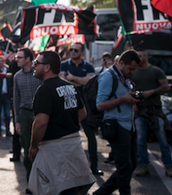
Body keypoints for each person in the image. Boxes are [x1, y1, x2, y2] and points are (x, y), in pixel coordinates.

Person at [28, 50, 95, 195]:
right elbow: (82, 113)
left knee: (55, 188)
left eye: (36, 63)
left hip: (54, 148)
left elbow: (40, 123)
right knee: (69, 186)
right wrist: (64, 122)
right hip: (73, 144)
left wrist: (33, 147)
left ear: (47, 67)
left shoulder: (45, 89)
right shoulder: (70, 86)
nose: (33, 66)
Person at [92, 49, 142, 195]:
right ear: (121, 63)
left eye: (134, 69)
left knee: (131, 164)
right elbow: (100, 105)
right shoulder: (108, 76)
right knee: (124, 166)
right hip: (116, 125)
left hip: (128, 125)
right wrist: (124, 99)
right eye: (130, 68)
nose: (132, 72)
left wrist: (132, 99)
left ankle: (101, 193)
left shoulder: (123, 76)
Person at [59, 42, 100, 176]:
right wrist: (79, 81)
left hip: (86, 104)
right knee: (66, 137)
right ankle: (67, 167)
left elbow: (89, 81)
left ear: (82, 52)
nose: (72, 52)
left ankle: (94, 166)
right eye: (71, 50)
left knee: (91, 137)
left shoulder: (88, 66)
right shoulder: (64, 65)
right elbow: (62, 81)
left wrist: (72, 78)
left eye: (76, 50)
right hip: (69, 105)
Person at [132, 49, 172, 177]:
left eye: (140, 56)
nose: (138, 58)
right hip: (140, 110)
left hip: (154, 109)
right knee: (140, 139)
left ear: (146, 57)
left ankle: (168, 166)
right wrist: (133, 103)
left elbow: (166, 86)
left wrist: (152, 91)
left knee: (162, 139)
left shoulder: (156, 71)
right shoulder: (133, 72)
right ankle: (144, 166)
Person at [13, 47, 42, 180]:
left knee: (41, 145)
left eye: (19, 57)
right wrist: (17, 121)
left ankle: (41, 177)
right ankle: (30, 178)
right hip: (24, 114)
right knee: (26, 145)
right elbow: (16, 99)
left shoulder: (39, 74)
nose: (16, 59)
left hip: (39, 112)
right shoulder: (17, 76)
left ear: (28, 59)